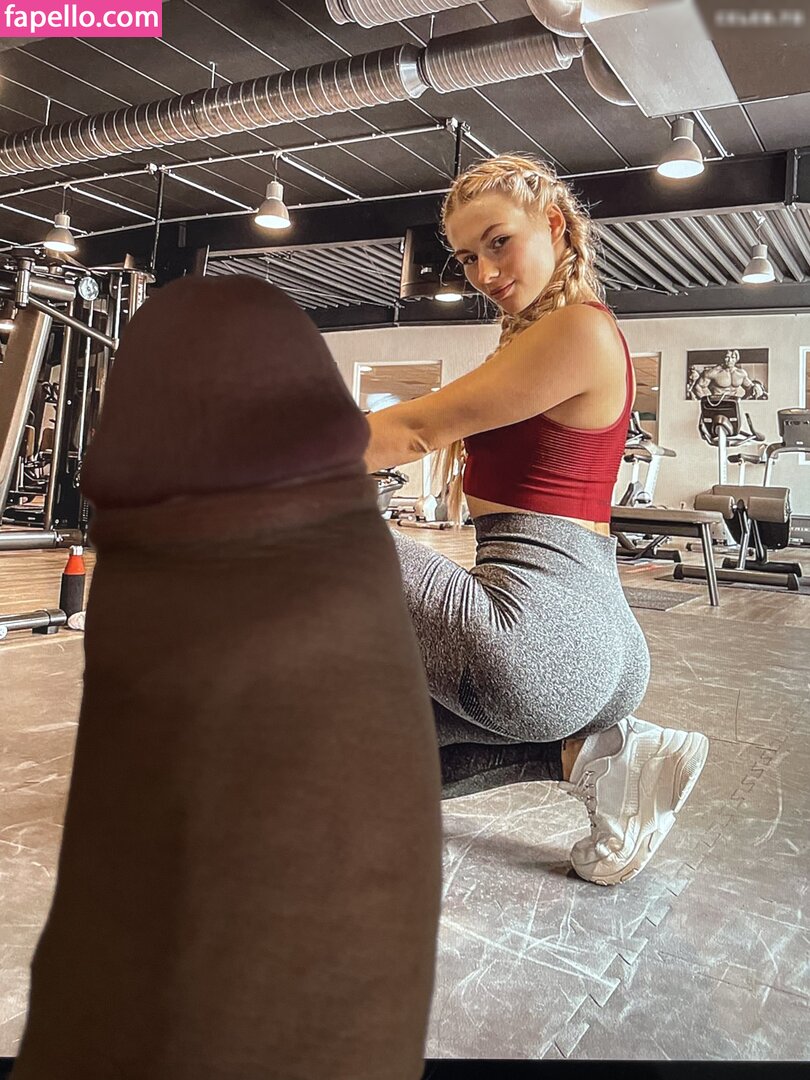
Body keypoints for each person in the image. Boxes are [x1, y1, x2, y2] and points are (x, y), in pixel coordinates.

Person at [363, 154, 709, 887]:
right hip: (592, 643)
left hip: (537, 631)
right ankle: (602, 757)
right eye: (467, 258)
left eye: (499, 242)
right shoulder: (547, 339)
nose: (484, 272)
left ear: (553, 225)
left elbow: (416, 430)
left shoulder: (578, 328)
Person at [688, 348, 767, 400]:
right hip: (718, 404)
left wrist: (756, 387)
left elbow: (750, 388)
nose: (730, 360)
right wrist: (707, 402)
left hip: (734, 403)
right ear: (723, 358)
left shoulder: (741, 373)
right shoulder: (714, 372)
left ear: (736, 359)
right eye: (727, 357)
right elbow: (698, 387)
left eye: (733, 358)